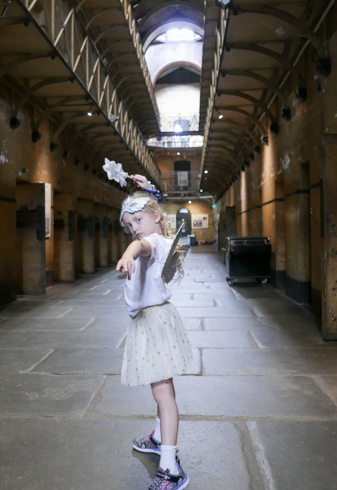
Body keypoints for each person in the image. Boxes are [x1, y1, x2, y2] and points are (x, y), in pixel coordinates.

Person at [116, 174, 193, 490]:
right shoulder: (159, 238)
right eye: (129, 224)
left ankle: (170, 467)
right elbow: (141, 235)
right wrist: (144, 188)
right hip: (152, 321)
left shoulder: (152, 242)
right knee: (159, 387)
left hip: (154, 323)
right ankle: (159, 437)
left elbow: (141, 244)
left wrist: (128, 252)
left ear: (156, 216)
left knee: (164, 394)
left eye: (138, 219)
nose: (134, 227)